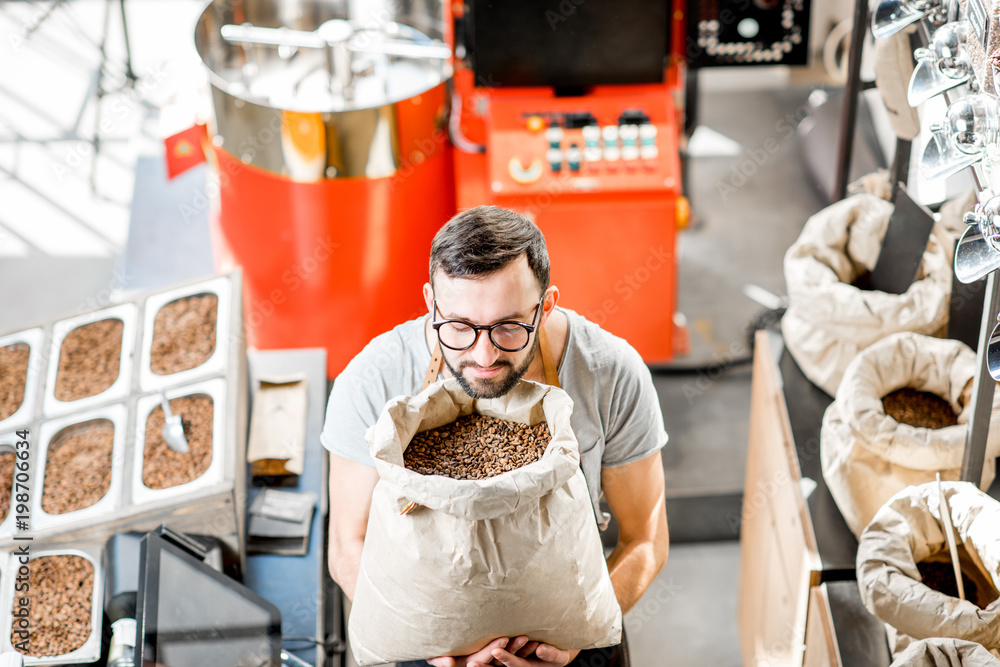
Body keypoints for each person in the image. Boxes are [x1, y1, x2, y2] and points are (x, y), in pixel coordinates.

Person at [322, 205, 670, 667]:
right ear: (431, 304)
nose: (483, 355)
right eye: (459, 328)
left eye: (509, 327)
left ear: (546, 307)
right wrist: (433, 645)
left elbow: (646, 539)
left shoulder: (610, 373)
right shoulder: (370, 380)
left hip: (570, 647)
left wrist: (576, 633)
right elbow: (348, 543)